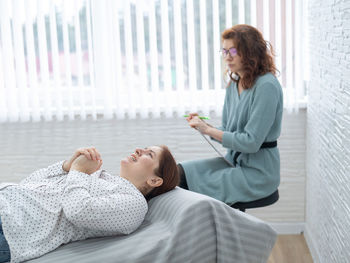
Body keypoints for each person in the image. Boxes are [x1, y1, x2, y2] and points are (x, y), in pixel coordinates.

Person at [0, 145, 179, 263]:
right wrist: (67, 166)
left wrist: (79, 171)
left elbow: (79, 211)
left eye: (150, 154)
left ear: (155, 180)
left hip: (10, 228)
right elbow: (27, 184)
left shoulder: (134, 203)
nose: (140, 149)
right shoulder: (99, 177)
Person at [178, 24, 283, 206]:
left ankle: (220, 233)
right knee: (179, 172)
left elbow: (250, 142)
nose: (227, 57)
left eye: (233, 50)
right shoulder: (233, 85)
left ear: (250, 52)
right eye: (224, 51)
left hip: (258, 173)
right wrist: (204, 127)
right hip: (234, 162)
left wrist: (208, 130)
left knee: (186, 186)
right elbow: (228, 132)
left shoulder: (266, 86)